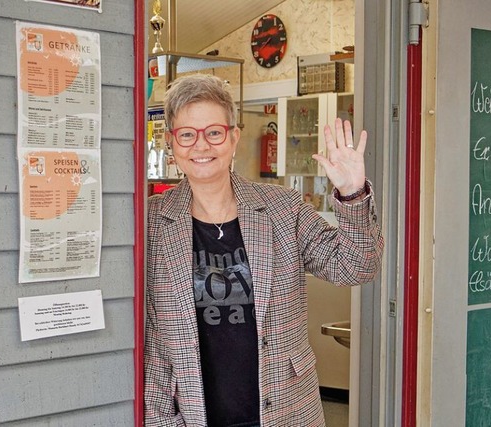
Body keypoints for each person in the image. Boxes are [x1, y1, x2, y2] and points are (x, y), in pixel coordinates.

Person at [145, 74, 384, 426]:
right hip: (195, 416)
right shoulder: (152, 223)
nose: (201, 146)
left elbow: (356, 267)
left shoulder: (281, 207)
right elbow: (155, 346)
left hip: (287, 412)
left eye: (214, 132)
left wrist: (352, 194)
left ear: (233, 137)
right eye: (187, 134)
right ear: (172, 142)